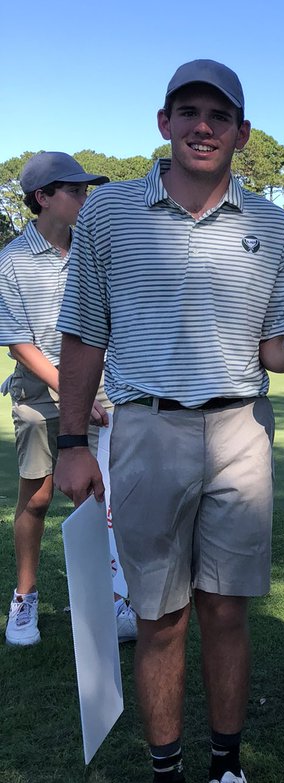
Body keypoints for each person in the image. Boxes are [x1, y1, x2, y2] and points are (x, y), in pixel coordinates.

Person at [54, 60, 284, 783]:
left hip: (240, 428)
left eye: (220, 115)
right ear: (164, 122)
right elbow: (83, 335)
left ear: (243, 132)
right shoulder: (108, 214)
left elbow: (272, 354)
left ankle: (228, 772)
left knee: (227, 614)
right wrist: (72, 442)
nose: (204, 126)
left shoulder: (277, 229)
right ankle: (166, 782)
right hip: (145, 428)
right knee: (162, 617)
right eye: (189, 112)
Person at [0, 152, 137, 647]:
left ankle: (107, 601)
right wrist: (70, 389)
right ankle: (25, 597)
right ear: (42, 198)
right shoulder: (12, 260)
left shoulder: (94, 249)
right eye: (74, 190)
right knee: (36, 498)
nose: (84, 197)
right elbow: (20, 343)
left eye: (85, 190)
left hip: (101, 385)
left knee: (100, 497)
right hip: (40, 390)